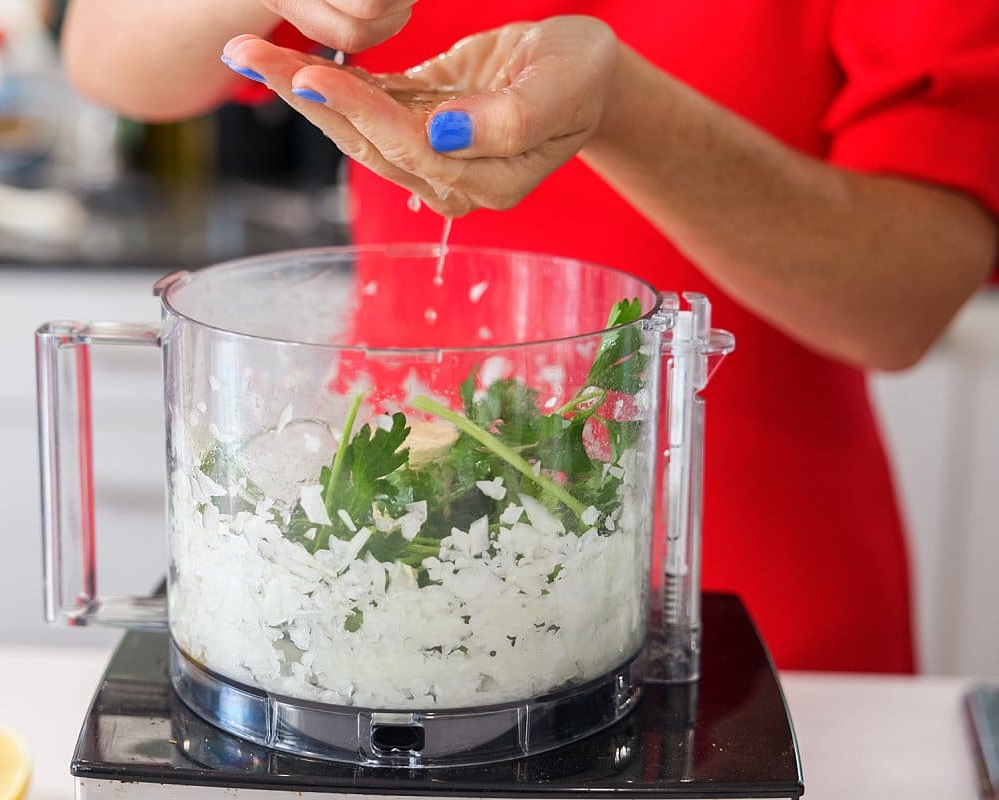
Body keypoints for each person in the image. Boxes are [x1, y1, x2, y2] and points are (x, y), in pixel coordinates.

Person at [62, 1, 999, 673]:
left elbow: (906, 299)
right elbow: (107, 55)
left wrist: (624, 109)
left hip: (749, 608)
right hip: (373, 569)